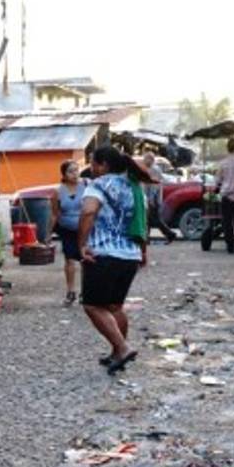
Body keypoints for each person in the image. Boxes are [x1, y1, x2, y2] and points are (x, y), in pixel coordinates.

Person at [78, 145, 150, 375]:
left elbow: (88, 212)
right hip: (130, 255)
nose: (91, 167)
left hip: (104, 253)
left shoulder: (98, 185)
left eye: (92, 162)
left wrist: (81, 245)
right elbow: (141, 221)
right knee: (114, 306)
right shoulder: (134, 186)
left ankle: (123, 347)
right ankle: (117, 352)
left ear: (103, 165)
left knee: (92, 305)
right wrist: (143, 251)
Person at [50, 159, 86, 306]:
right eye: (70, 171)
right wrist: (47, 234)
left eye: (76, 170)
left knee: (85, 260)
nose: (74, 174)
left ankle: (86, 292)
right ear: (63, 174)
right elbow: (54, 214)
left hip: (85, 229)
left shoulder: (86, 187)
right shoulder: (58, 192)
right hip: (67, 229)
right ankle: (71, 291)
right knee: (69, 260)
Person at [140, 153, 177, 244]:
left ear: (150, 160)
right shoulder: (148, 169)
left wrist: (151, 199)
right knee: (148, 219)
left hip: (153, 199)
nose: (144, 160)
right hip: (149, 198)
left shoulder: (154, 170)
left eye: (146, 159)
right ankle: (146, 238)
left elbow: (154, 186)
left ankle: (170, 234)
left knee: (154, 220)